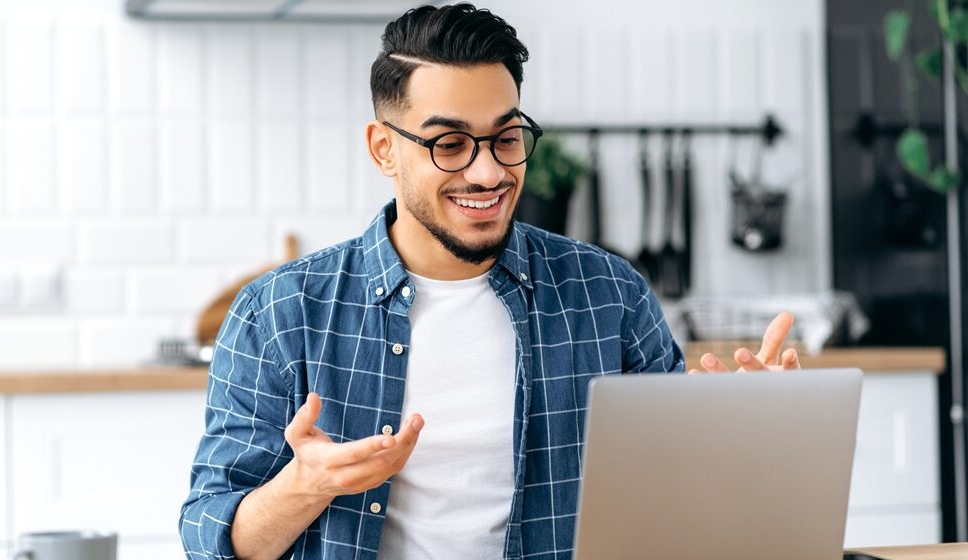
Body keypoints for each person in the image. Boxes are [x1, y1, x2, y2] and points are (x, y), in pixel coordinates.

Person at [179, 4, 801, 559]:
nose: (488, 171)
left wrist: (747, 435)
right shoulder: (280, 311)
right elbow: (211, 538)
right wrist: (306, 484)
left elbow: (679, 506)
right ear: (383, 149)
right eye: (449, 144)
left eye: (506, 138)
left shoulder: (608, 293)